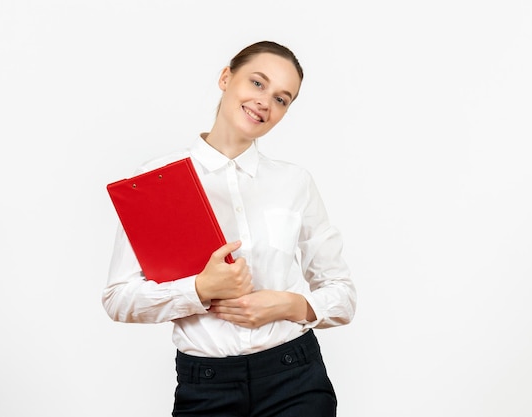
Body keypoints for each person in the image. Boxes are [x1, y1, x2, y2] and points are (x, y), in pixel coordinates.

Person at [102, 40, 357, 417]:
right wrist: (200, 289)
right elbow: (118, 298)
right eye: (257, 83)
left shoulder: (295, 182)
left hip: (295, 377)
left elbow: (342, 294)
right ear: (226, 77)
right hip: (206, 386)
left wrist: (288, 304)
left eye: (282, 99)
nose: (265, 103)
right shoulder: (157, 181)